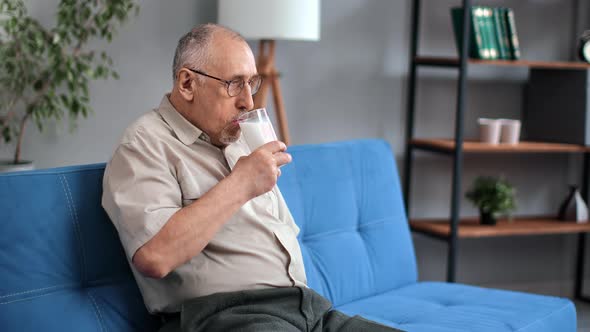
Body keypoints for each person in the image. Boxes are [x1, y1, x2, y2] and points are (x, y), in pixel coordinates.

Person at [102, 23, 402, 332]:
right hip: (228, 317)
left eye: (252, 84)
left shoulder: (241, 140)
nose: (248, 101)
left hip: (309, 311)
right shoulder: (144, 144)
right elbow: (155, 256)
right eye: (234, 84)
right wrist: (241, 184)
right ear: (188, 83)